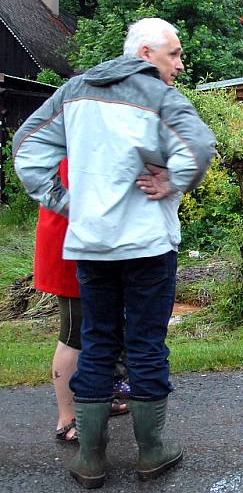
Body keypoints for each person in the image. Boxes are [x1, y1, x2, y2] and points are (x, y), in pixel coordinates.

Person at [13, 17, 216, 488]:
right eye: (174, 55)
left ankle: (90, 459)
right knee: (145, 344)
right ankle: (151, 452)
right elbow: (201, 144)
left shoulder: (74, 91)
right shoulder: (161, 98)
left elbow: (26, 149)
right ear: (146, 53)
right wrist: (170, 180)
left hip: (91, 246)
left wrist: (67, 203)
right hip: (147, 247)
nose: (180, 66)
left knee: (98, 341)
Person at [36, 159, 129, 444]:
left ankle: (99, 399)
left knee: (102, 326)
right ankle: (67, 418)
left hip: (87, 243)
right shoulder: (71, 141)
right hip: (70, 245)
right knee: (74, 333)